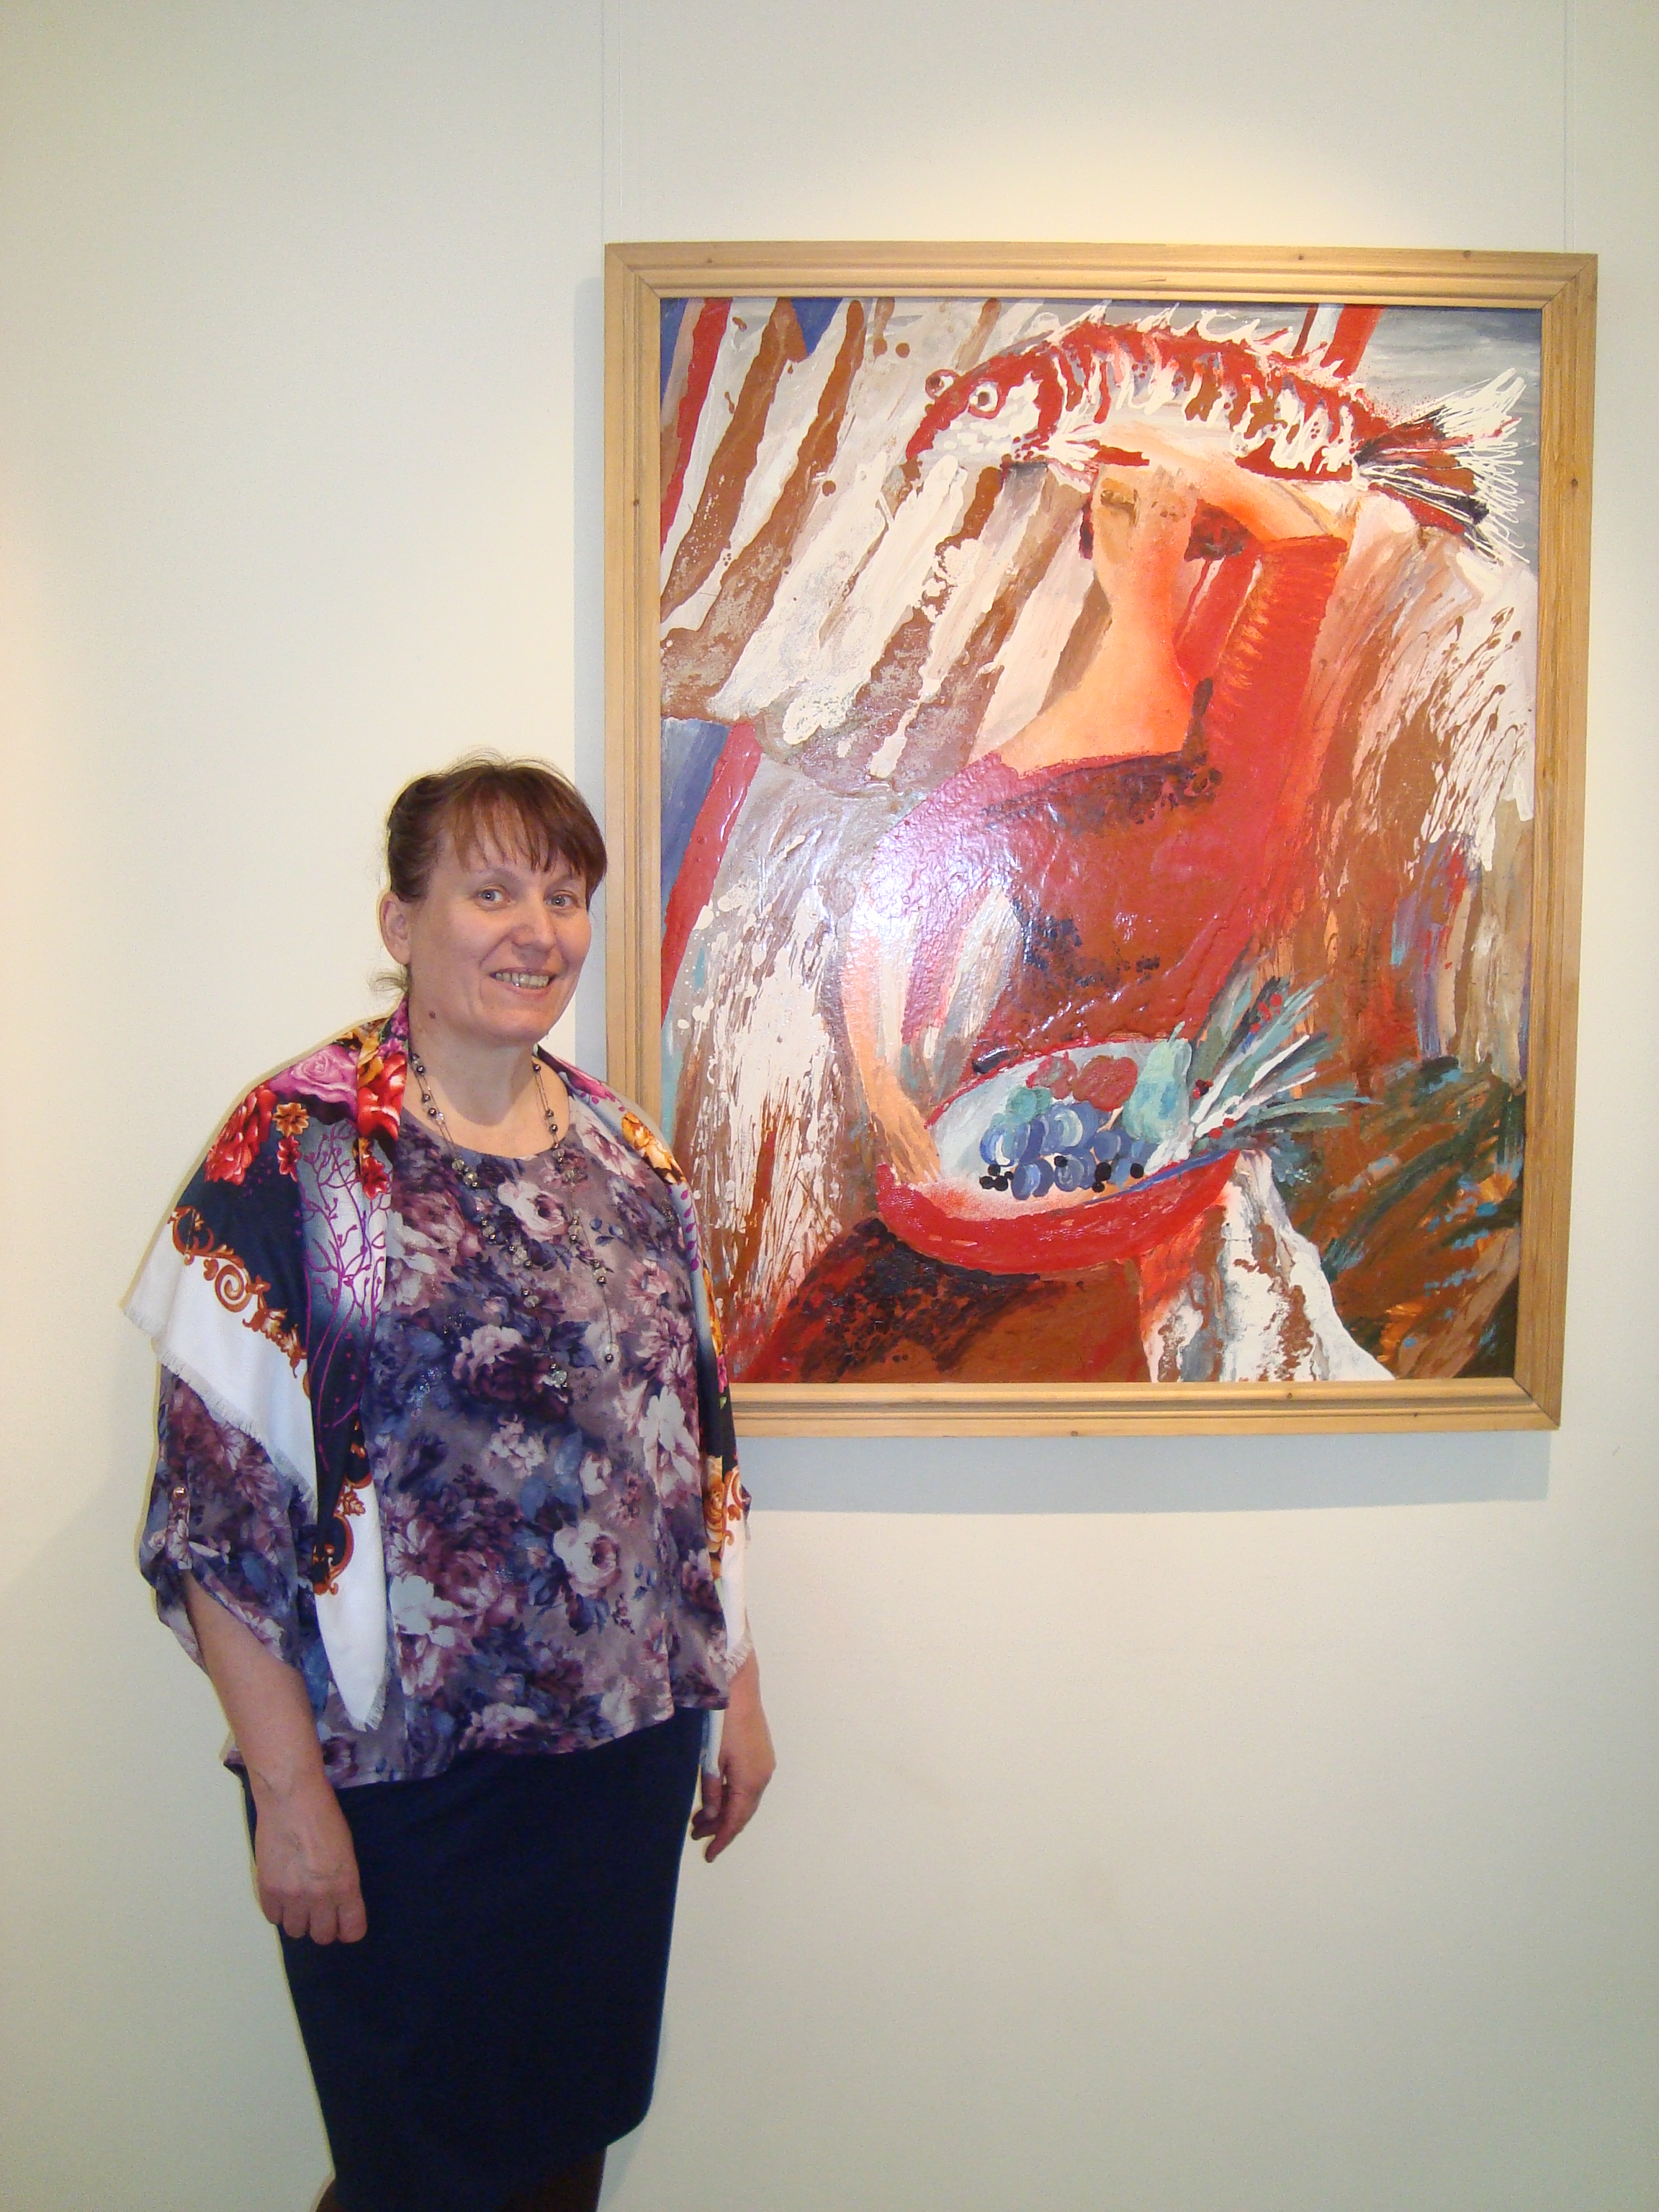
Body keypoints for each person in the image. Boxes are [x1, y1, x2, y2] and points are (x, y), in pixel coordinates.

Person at [129, 757, 774, 2212]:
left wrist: (736, 1683)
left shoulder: (631, 1160)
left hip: (617, 1761)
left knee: (563, 2155)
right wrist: (288, 1793)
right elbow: (216, 1517)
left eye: (564, 894)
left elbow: (690, 1457)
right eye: (491, 891)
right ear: (401, 920)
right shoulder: (297, 1152)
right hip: (401, 1785)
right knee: (415, 2172)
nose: (537, 928)